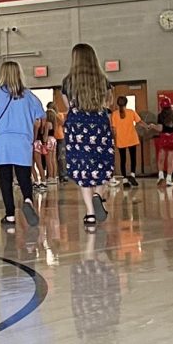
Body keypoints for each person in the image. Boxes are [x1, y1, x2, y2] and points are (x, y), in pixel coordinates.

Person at [0, 61, 45, 227]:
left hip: (2, 141)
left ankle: (10, 215)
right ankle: (28, 199)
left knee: (5, 178)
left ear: (2, 74)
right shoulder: (29, 95)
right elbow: (41, 114)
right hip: (23, 140)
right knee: (24, 174)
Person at [61, 43, 114, 227]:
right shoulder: (102, 79)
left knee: (82, 167)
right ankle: (98, 195)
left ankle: (90, 213)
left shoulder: (68, 81)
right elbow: (109, 101)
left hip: (77, 126)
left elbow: (68, 106)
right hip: (99, 123)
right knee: (101, 163)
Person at [110, 96, 146, 187]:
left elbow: (113, 129)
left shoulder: (114, 114)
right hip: (132, 138)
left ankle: (125, 180)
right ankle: (132, 175)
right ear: (126, 103)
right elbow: (139, 122)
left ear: (117, 104)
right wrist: (147, 126)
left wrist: (113, 139)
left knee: (123, 160)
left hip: (121, 140)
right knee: (133, 158)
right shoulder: (131, 112)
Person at [152, 96, 173, 187]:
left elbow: (160, 129)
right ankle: (169, 179)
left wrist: (153, 126)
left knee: (161, 159)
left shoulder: (160, 115)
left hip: (163, 138)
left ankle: (160, 175)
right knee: (170, 160)